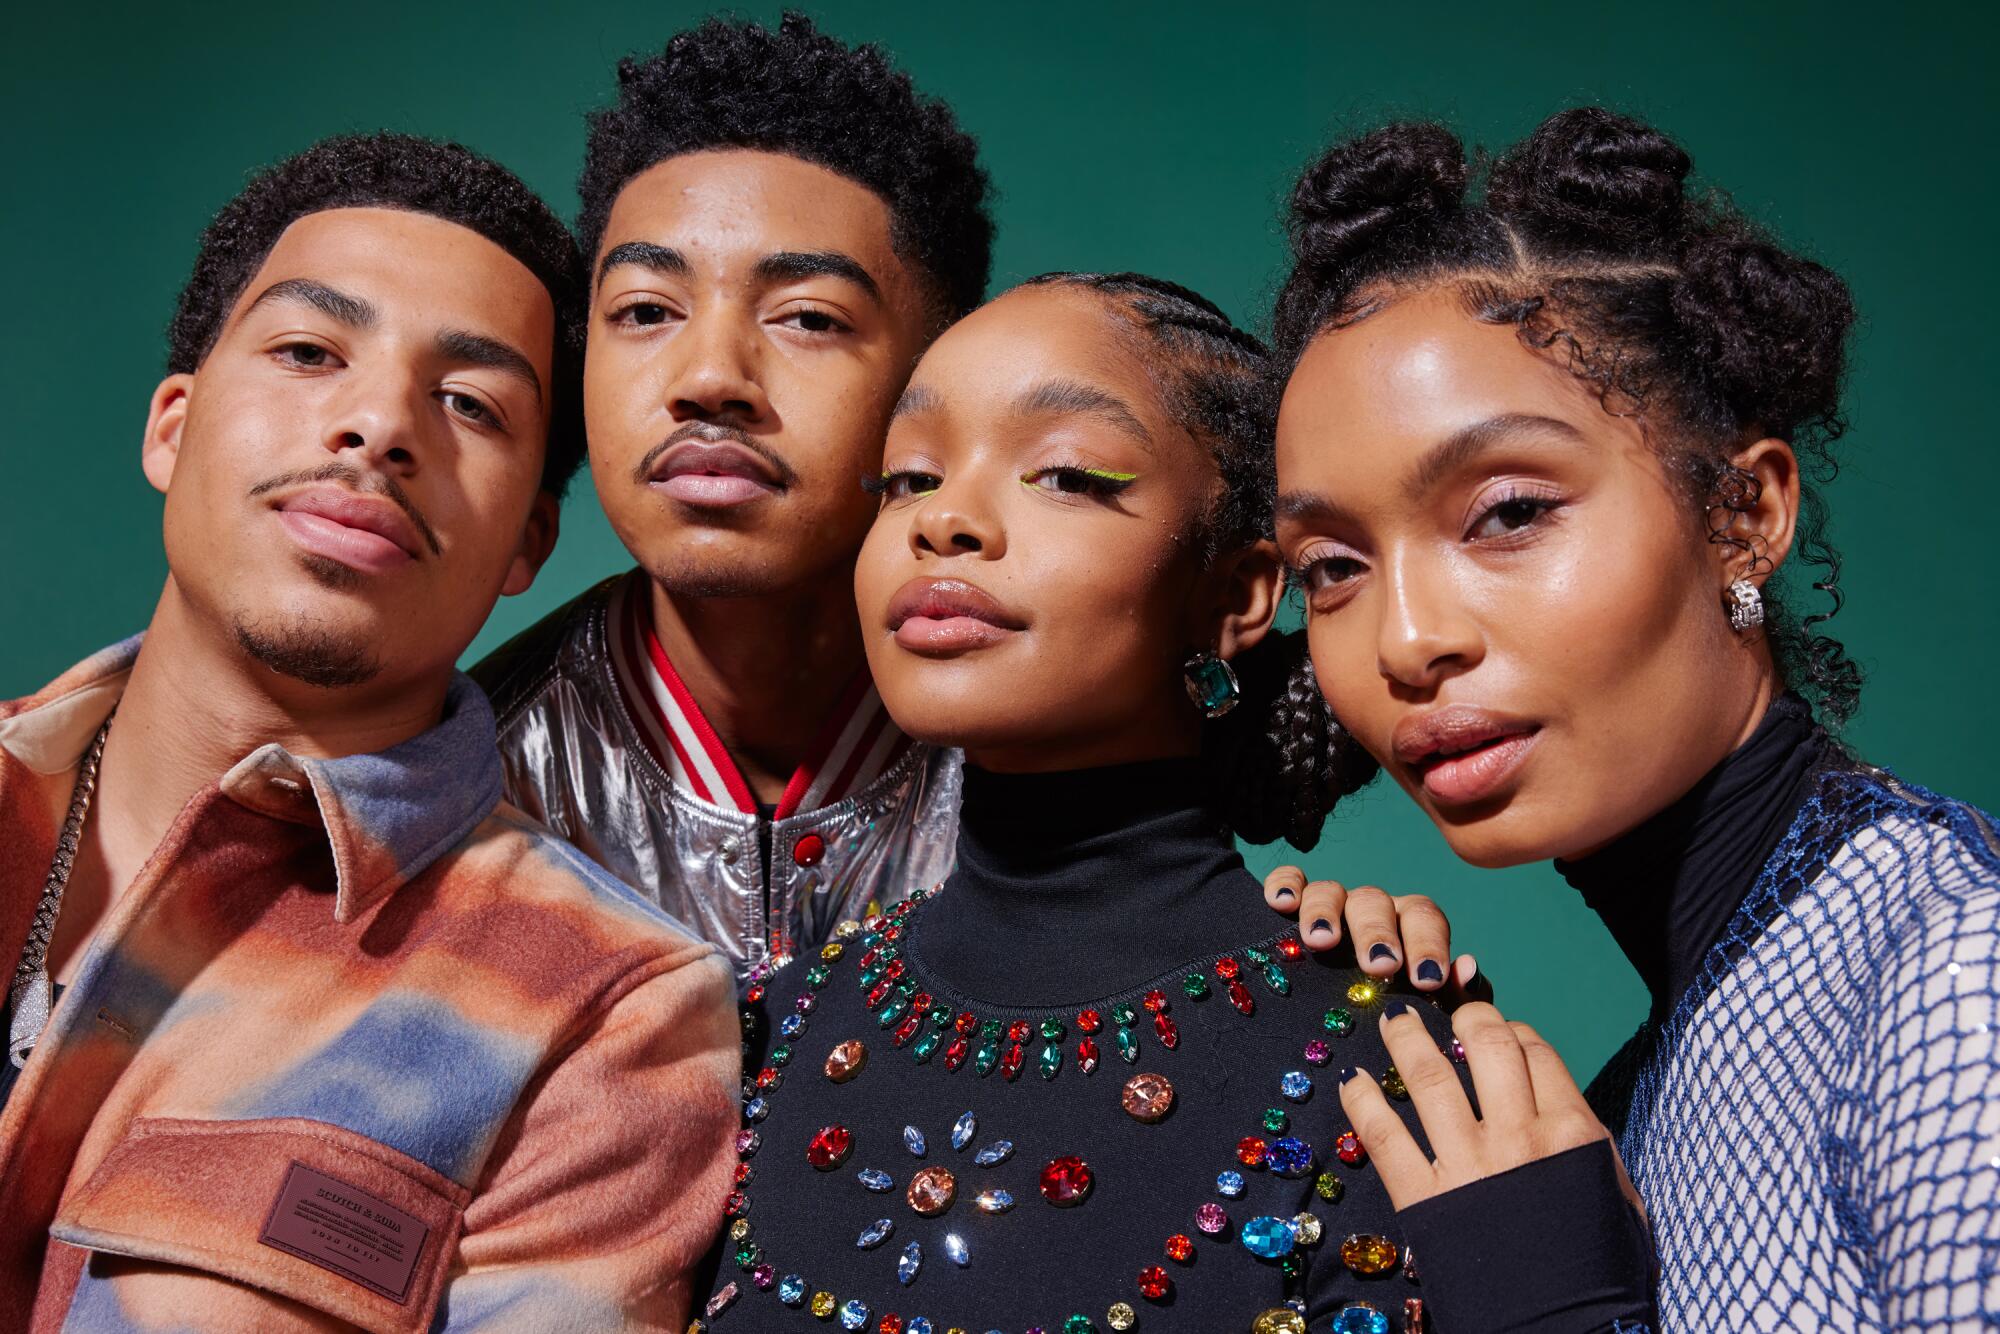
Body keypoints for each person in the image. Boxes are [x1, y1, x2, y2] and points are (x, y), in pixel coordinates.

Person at [696, 273, 1653, 1333]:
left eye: (1059, 473)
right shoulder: (767, 1029)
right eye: (907, 478)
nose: (947, 522)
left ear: (1237, 591)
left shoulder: (1391, 1071)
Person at [1269, 107, 1999, 1329]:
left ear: (1743, 514)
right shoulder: (1645, 1076)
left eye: (1505, 512)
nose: (1403, 638)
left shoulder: (1953, 975)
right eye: (1331, 564)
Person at [0, 134, 738, 1329]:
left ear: (526, 549)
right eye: (307, 351)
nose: (379, 423)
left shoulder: (605, 1019)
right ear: (171, 427)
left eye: (469, 403)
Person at [473, 13, 993, 977]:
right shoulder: (463, 785)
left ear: (940, 379)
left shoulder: (1049, 760)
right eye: (643, 311)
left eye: (806, 317)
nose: (710, 375)